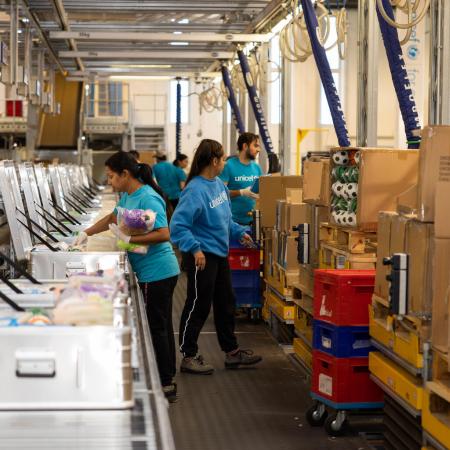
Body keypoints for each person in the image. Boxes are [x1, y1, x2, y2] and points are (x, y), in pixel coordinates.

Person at [74, 152, 180, 401]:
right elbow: (113, 218)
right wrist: (85, 234)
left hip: (157, 271)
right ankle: (167, 375)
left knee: (157, 328)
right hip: (149, 269)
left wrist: (130, 240)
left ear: (125, 174)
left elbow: (164, 233)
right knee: (161, 325)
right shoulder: (128, 196)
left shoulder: (149, 198)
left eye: (111, 176)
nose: (109, 181)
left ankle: (165, 383)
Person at [170, 139, 263, 374]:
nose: (225, 162)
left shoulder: (219, 186)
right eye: (222, 159)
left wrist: (240, 233)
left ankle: (231, 352)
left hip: (219, 254)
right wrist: (195, 248)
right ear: (214, 161)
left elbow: (226, 219)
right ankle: (188, 355)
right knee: (197, 305)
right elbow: (178, 226)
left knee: (226, 302)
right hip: (201, 257)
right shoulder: (195, 190)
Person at [219, 132, 263, 225]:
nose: (259, 149)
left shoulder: (257, 168)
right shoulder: (228, 166)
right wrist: (241, 192)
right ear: (245, 146)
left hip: (253, 220)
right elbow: (219, 194)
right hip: (232, 222)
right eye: (255, 146)